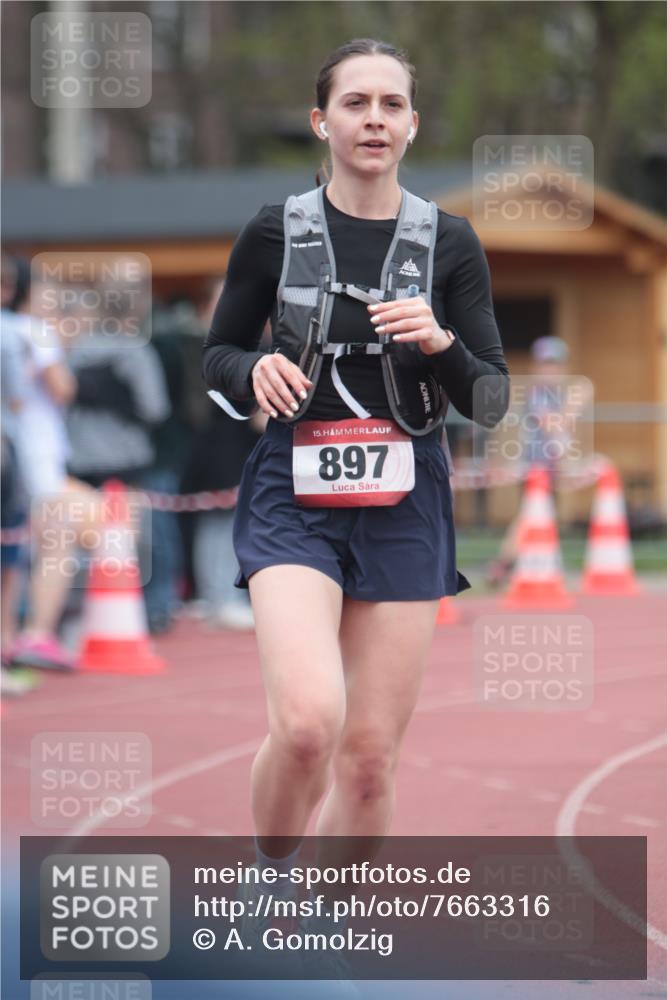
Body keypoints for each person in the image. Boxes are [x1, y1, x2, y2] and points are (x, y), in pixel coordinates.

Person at [202, 38, 509, 980]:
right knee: (307, 724)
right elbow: (215, 357)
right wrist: (252, 366)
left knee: (369, 761)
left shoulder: (448, 242)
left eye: (390, 104)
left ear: (411, 124)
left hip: (403, 497)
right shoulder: (273, 229)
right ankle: (268, 879)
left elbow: (489, 397)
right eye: (355, 103)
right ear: (321, 121)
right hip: (294, 488)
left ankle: (309, 953)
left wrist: (442, 341)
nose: (373, 118)